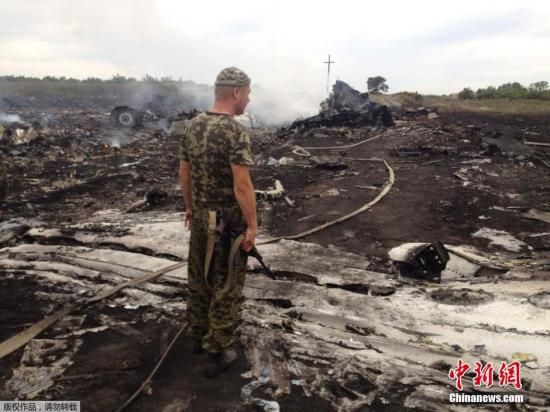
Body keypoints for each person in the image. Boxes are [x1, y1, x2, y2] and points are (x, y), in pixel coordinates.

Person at [176, 67, 257, 379]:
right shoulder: (236, 133)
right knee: (225, 283)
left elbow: (184, 173)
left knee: (198, 277)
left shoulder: (192, 126)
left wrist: (189, 207)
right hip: (227, 225)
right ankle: (218, 350)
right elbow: (242, 186)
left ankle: (198, 336)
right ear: (236, 92)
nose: (248, 100)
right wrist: (252, 225)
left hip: (199, 218)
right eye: (247, 93)